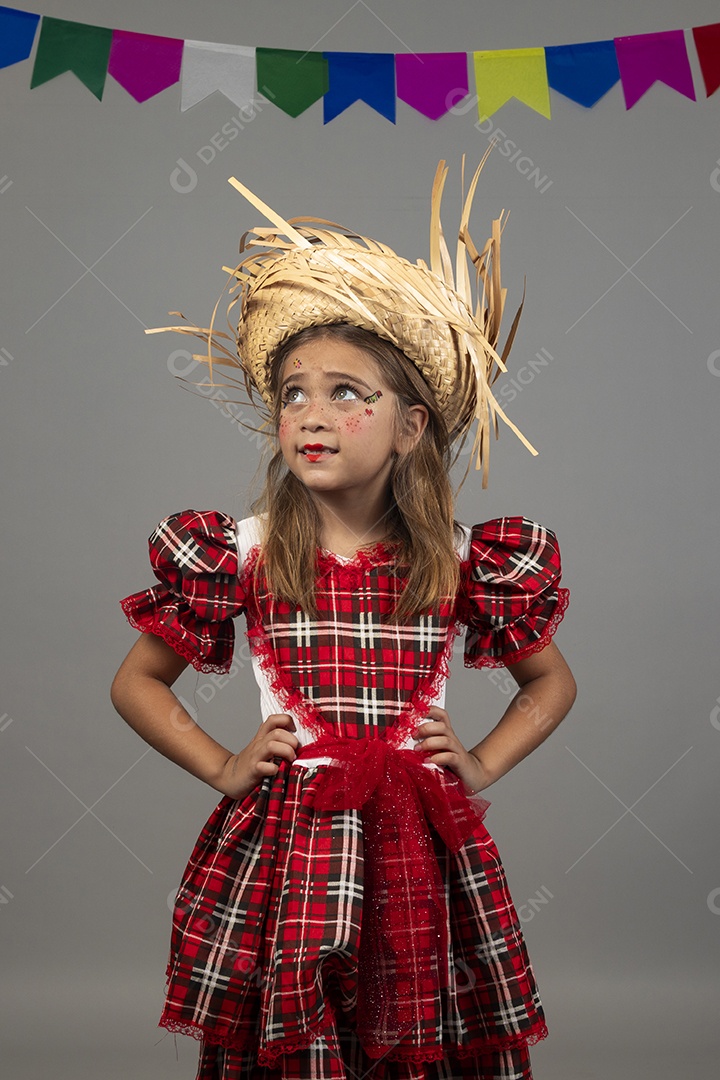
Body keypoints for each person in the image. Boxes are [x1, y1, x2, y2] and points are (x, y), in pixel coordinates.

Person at [111, 156, 577, 1080]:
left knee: (425, 1018)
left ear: (410, 426)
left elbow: (550, 682)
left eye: (345, 393)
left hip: (419, 838)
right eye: (293, 394)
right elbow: (136, 682)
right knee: (296, 1020)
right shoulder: (242, 551)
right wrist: (225, 765)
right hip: (297, 838)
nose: (311, 416)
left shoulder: (459, 559)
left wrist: (479, 761)